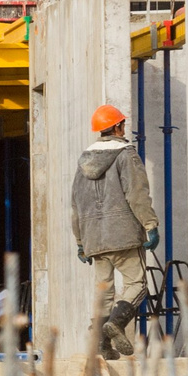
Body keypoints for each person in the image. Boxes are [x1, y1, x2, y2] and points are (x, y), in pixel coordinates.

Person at [71, 105, 159, 360]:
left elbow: (75, 206)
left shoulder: (83, 162)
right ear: (118, 127)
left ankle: (101, 344)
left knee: (104, 290)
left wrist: (80, 242)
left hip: (94, 239)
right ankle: (117, 323)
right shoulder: (126, 154)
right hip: (123, 235)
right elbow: (137, 194)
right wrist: (150, 225)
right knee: (137, 284)